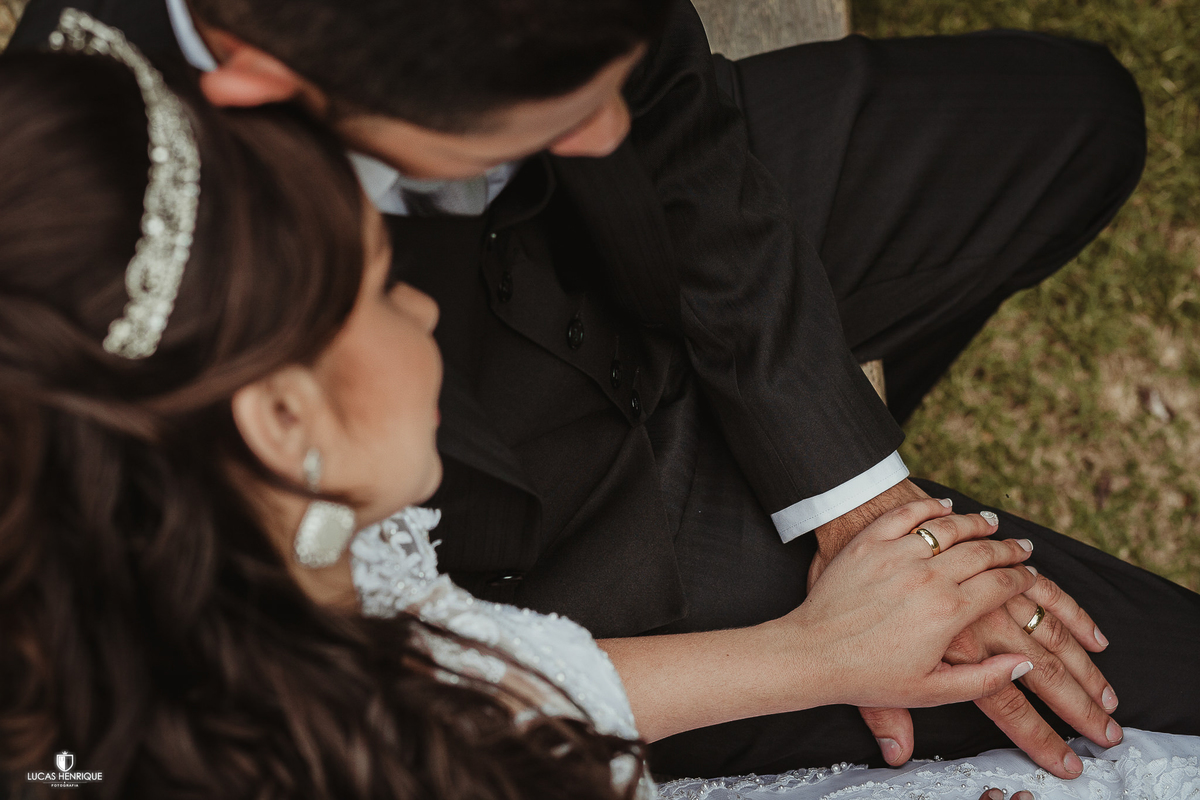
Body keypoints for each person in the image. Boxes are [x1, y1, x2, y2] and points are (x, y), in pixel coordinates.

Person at [8, 0, 1200, 782]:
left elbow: (662, 113)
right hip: (546, 541)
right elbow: (395, 695)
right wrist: (822, 649)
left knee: (1071, 121)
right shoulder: (118, 305)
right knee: (1168, 692)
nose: (601, 134)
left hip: (608, 284)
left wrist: (857, 493)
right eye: (545, 117)